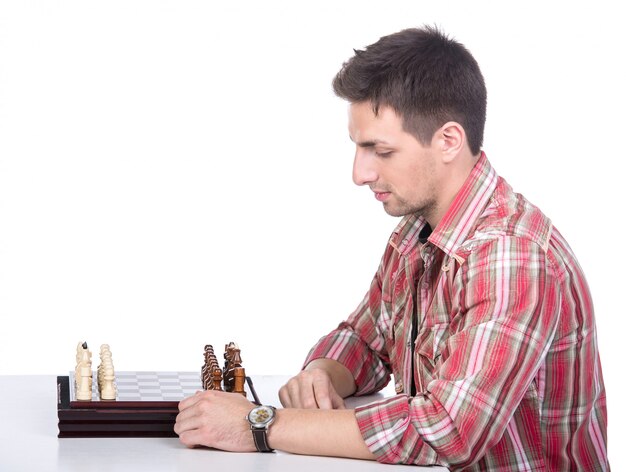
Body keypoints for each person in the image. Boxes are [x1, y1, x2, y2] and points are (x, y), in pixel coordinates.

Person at [174, 26, 609, 471]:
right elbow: (365, 339)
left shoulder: (511, 255)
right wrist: (322, 374)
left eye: (380, 150)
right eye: (358, 148)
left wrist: (259, 425)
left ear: (448, 141)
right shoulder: (416, 232)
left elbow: (448, 430)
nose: (359, 173)